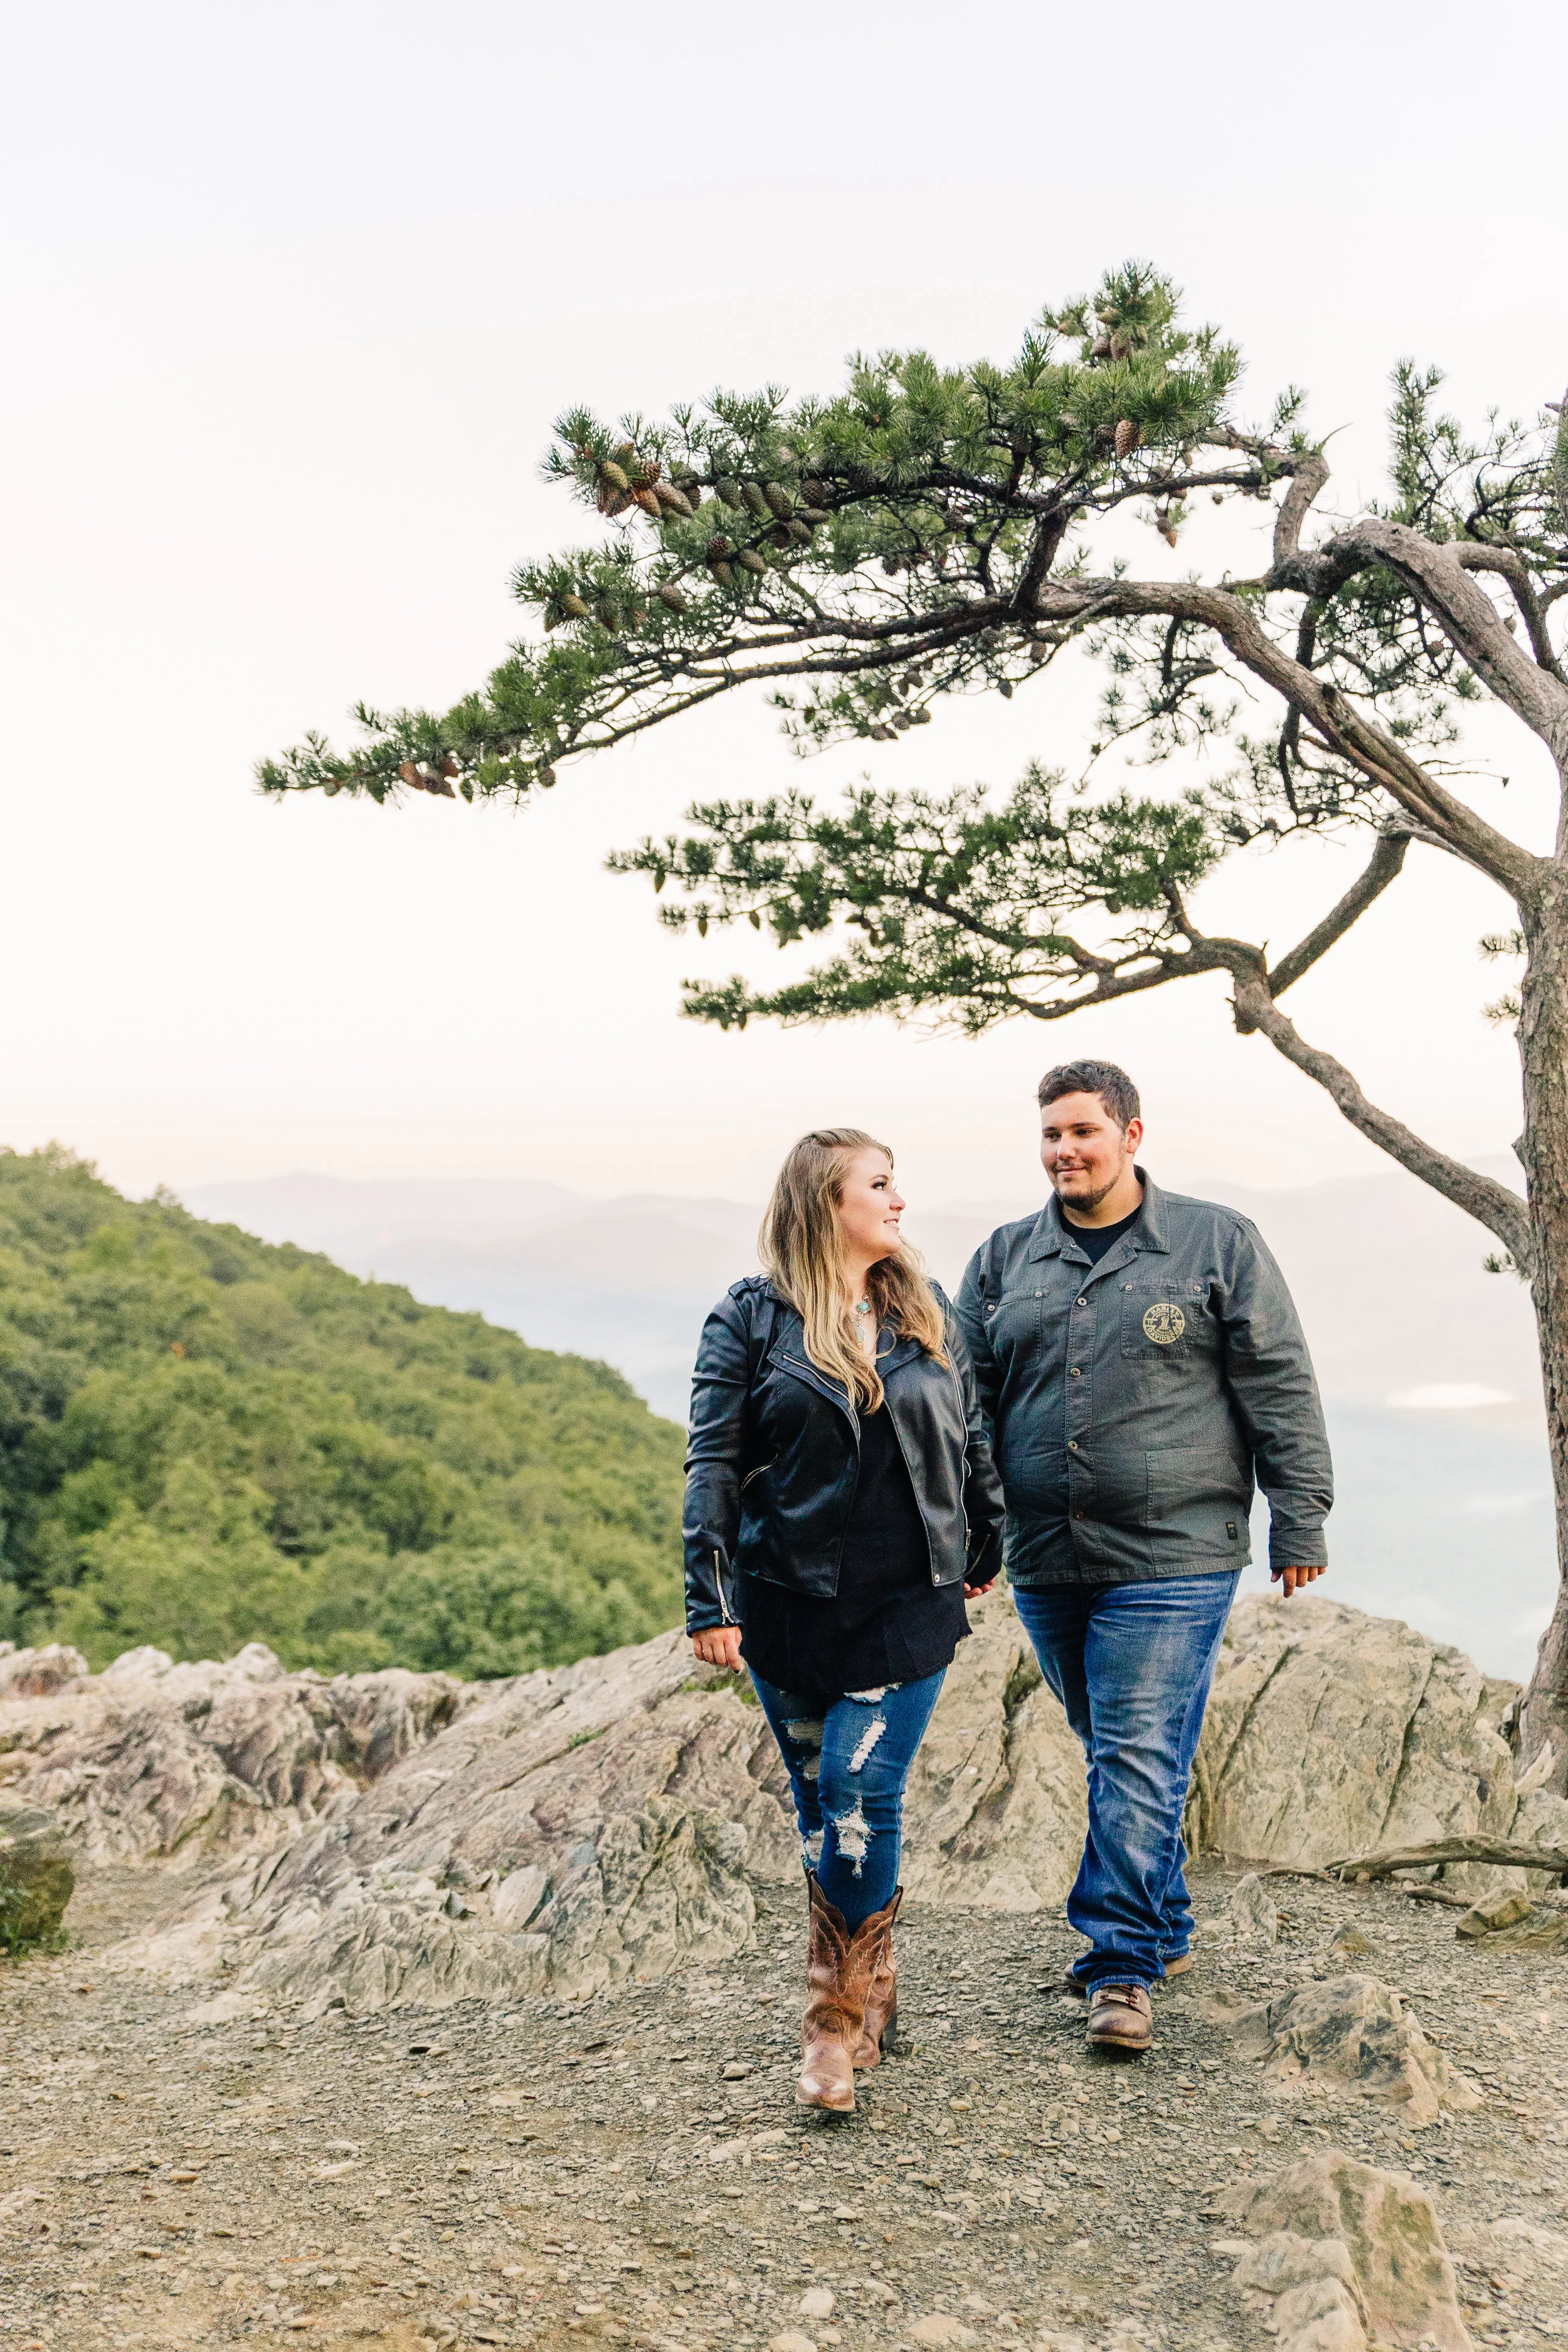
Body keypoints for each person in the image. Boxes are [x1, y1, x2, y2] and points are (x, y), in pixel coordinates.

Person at [955, 1060, 1332, 2057]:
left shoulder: (1216, 1242)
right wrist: (972, 1529)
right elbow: (963, 1400)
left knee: (1133, 1748)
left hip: (1176, 1551)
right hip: (1046, 1552)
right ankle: (1163, 1919)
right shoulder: (1002, 1259)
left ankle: (1121, 1964)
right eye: (1051, 1133)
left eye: (1084, 1130)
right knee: (1117, 1743)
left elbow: (1280, 1383)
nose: (1064, 1150)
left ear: (1131, 1134)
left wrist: (1300, 1519)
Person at [684, 1128, 1006, 2111]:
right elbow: (713, 1461)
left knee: (859, 1792)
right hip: (787, 1607)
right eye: (880, 1183)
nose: (899, 1200)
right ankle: (873, 1975)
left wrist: (984, 1540)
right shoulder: (750, 1319)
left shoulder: (923, 1304)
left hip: (905, 1604)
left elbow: (971, 1432)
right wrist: (709, 1596)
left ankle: (831, 2017)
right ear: (827, 1202)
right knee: (821, 1803)